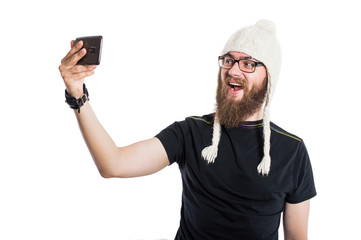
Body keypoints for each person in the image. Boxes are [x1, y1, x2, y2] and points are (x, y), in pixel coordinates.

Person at [59, 20, 316, 240]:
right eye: (229, 60)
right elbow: (113, 164)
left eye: (248, 63)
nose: (233, 70)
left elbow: (296, 237)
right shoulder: (191, 133)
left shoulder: (292, 151)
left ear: (268, 77)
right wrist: (77, 94)